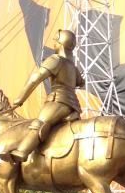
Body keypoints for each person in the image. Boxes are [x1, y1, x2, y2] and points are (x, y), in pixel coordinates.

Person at [6, 27, 84, 164]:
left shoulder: (55, 60)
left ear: (60, 43)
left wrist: (21, 98)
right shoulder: (73, 66)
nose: (54, 42)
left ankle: (21, 152)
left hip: (58, 101)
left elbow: (35, 78)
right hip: (74, 106)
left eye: (56, 40)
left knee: (40, 123)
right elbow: (81, 82)